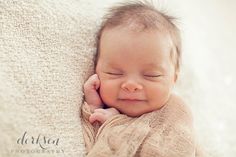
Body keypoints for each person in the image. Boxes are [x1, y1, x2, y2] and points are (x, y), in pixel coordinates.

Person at [81, 1, 205, 156]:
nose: (131, 85)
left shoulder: (175, 112)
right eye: (114, 73)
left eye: (151, 75)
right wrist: (93, 108)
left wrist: (116, 123)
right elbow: (93, 146)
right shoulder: (104, 110)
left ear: (173, 78)